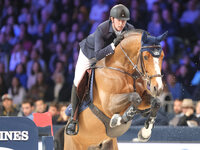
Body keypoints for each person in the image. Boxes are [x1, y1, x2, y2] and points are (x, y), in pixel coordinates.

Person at [65, 4, 135, 135]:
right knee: (78, 81)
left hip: (111, 55)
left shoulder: (130, 29)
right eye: (118, 20)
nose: (121, 23)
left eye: (124, 20)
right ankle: (73, 119)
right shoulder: (102, 29)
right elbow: (98, 55)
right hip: (90, 55)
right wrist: (114, 44)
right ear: (112, 19)